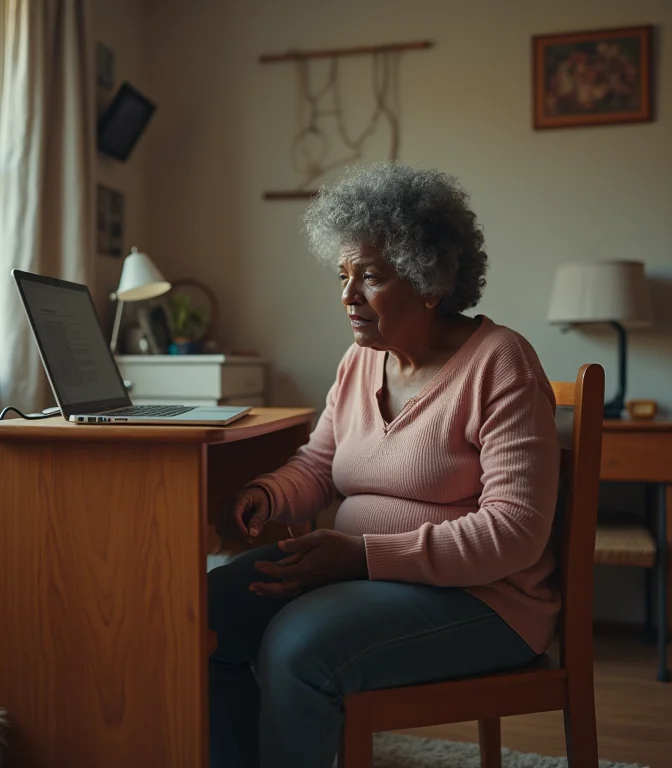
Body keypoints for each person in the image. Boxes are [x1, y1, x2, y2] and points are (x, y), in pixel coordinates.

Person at [208, 163, 561, 768]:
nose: (347, 296)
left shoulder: (502, 363)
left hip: (485, 601)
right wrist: (268, 495)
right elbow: (321, 463)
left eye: (369, 277)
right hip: (359, 576)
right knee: (202, 610)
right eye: (342, 276)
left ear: (429, 280)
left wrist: (365, 556)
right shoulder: (360, 361)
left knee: (297, 648)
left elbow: (516, 532)